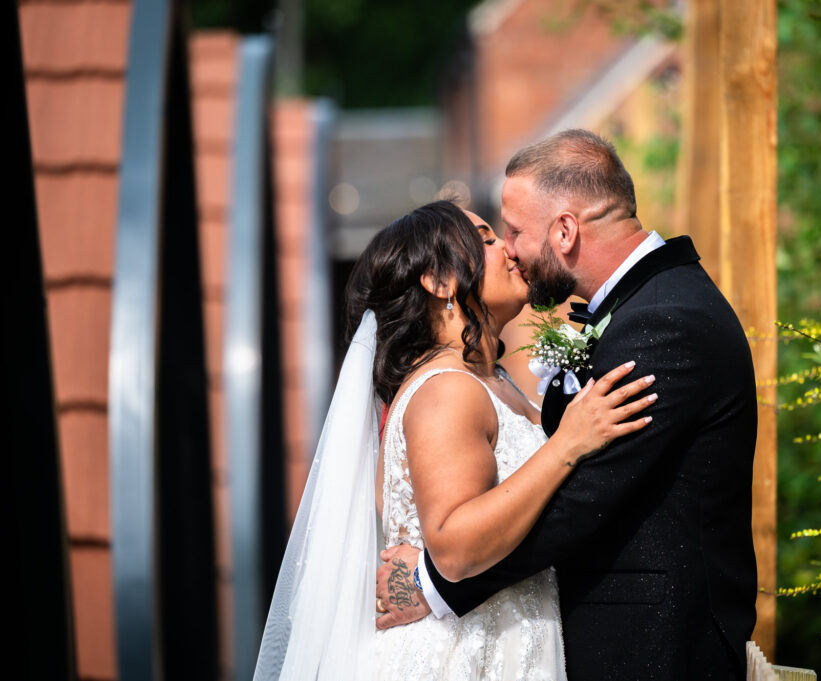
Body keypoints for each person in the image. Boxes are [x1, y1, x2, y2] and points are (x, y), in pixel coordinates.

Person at [376, 130, 759, 680]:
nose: (511, 250)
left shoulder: (663, 323)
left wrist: (432, 584)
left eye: (513, 232)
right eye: (495, 237)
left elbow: (584, 496)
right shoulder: (642, 312)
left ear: (565, 229)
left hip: (654, 648)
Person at [252, 200, 653, 680]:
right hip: (462, 656)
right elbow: (456, 547)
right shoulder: (447, 389)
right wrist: (569, 443)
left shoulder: (491, 381)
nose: (507, 248)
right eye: (485, 240)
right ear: (440, 282)